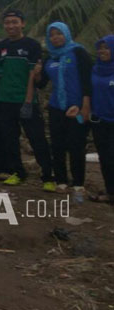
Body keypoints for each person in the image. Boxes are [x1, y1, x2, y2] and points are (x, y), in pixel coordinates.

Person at [0, 10, 54, 189]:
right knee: (10, 139)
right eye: (7, 22)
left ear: (22, 23)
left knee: (37, 139)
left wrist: (28, 101)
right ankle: (18, 172)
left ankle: (48, 177)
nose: (11, 26)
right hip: (5, 101)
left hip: (26, 101)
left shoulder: (32, 45)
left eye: (14, 22)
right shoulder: (0, 47)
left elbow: (35, 75)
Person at [33, 22, 91, 197]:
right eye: (52, 35)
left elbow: (87, 80)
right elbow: (42, 84)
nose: (56, 37)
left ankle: (79, 183)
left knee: (76, 145)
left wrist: (85, 106)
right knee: (57, 144)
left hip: (78, 106)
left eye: (59, 33)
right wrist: (36, 73)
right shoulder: (50, 58)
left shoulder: (78, 52)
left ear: (66, 34)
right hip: (56, 106)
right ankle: (61, 180)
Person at [90, 35, 114, 203]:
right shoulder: (95, 69)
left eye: (106, 48)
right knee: (105, 158)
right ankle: (110, 192)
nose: (102, 51)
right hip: (99, 121)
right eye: (100, 48)